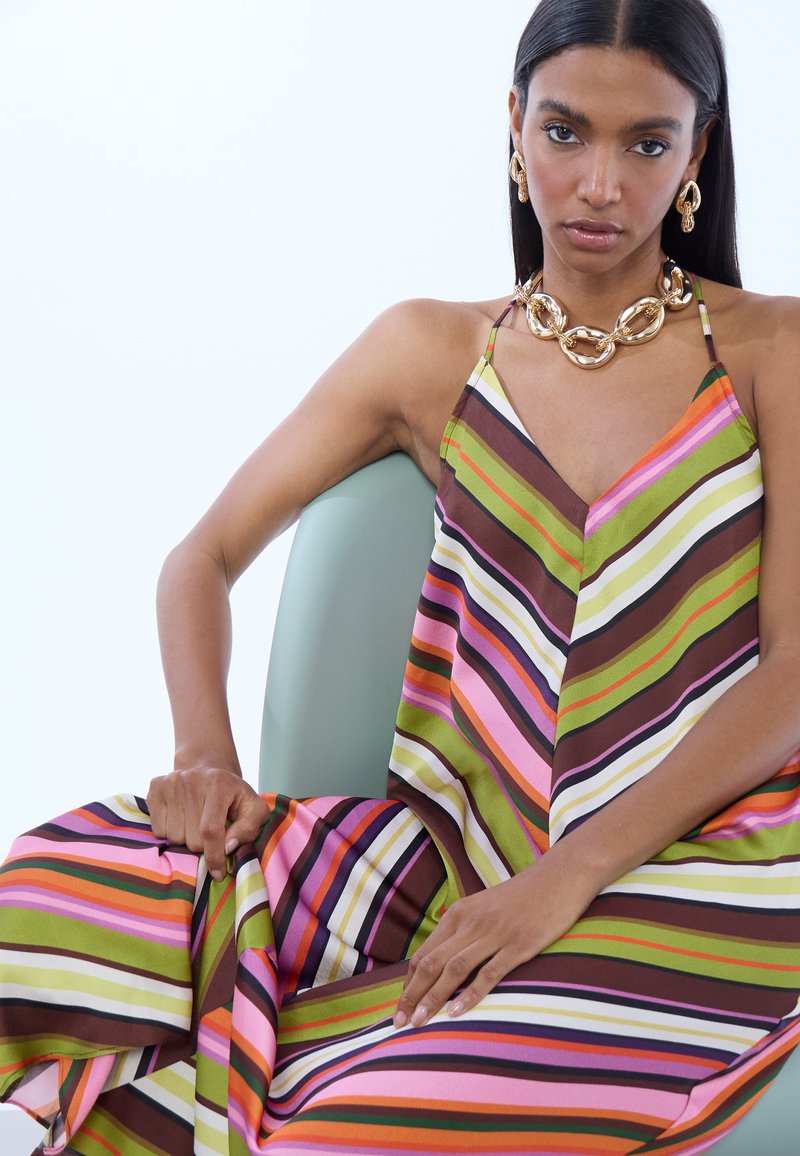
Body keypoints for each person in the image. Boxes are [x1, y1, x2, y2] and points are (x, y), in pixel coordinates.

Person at [2, 0, 799, 1151]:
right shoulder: (433, 352)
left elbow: (791, 673)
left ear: (696, 153)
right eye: (563, 131)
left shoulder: (772, 350)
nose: (597, 186)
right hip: (453, 855)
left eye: (645, 143)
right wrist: (204, 761)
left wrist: (567, 875)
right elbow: (200, 557)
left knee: (345, 1124)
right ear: (513, 123)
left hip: (703, 876)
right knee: (39, 903)